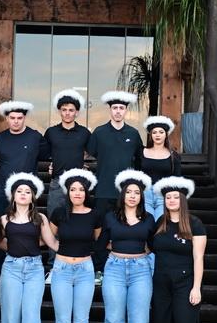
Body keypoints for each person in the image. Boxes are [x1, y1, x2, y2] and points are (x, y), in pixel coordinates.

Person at [150, 176, 212, 323]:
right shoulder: (160, 223)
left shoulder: (195, 224)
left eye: (176, 197)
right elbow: (150, 247)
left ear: (183, 200)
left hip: (186, 283)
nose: (172, 200)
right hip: (161, 284)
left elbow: (198, 258)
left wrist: (196, 287)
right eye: (168, 197)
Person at [0, 172, 58, 323]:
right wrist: (14, 249)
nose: (23, 194)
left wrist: (75, 253)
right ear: (13, 195)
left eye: (27, 192)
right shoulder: (4, 219)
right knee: (11, 316)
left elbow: (51, 242)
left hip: (34, 269)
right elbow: (0, 242)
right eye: (19, 191)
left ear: (33, 196)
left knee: (31, 316)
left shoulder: (40, 218)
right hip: (11, 268)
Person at [101, 169, 154, 323]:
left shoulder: (149, 219)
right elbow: (101, 243)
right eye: (129, 192)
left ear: (141, 196)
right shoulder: (110, 217)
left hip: (141, 270)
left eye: (137, 193)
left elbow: (153, 245)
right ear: (122, 195)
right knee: (113, 321)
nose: (133, 196)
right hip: (114, 268)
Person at [49, 168, 101, 323]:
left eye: (81, 189)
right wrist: (60, 253)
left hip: (85, 270)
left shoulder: (94, 215)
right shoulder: (59, 213)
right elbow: (49, 237)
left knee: (81, 321)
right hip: (61, 270)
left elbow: (97, 241)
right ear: (67, 192)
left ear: (86, 192)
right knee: (62, 321)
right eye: (73, 189)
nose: (77, 193)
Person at [87, 91, 143, 281]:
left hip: (126, 194)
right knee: (101, 232)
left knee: (124, 230)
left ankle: (121, 269)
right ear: (110, 110)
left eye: (121, 108)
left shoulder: (133, 134)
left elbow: (139, 160)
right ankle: (100, 269)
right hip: (103, 190)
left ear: (126, 110)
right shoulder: (99, 132)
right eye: (115, 108)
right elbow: (90, 153)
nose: (118, 111)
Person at [44, 89, 91, 282]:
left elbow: (92, 152)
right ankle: (53, 266)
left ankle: (78, 265)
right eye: (64, 110)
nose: (68, 113)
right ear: (59, 111)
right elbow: (44, 153)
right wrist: (50, 166)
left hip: (78, 185)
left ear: (77, 112)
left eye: (71, 110)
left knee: (77, 224)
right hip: (57, 183)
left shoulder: (85, 133)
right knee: (53, 224)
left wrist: (85, 165)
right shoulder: (51, 132)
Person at [0, 100, 49, 215]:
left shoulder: (35, 137)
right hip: (2, 190)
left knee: (26, 222)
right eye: (12, 118)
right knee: (1, 221)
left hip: (26, 191)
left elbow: (47, 156)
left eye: (19, 118)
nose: (16, 121)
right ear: (7, 118)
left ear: (24, 118)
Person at [141, 115, 181, 221]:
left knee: (161, 222)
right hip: (145, 194)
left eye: (161, 132)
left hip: (163, 195)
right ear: (150, 135)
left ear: (166, 134)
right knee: (146, 222)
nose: (157, 135)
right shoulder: (141, 153)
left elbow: (177, 180)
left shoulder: (174, 156)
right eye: (154, 132)